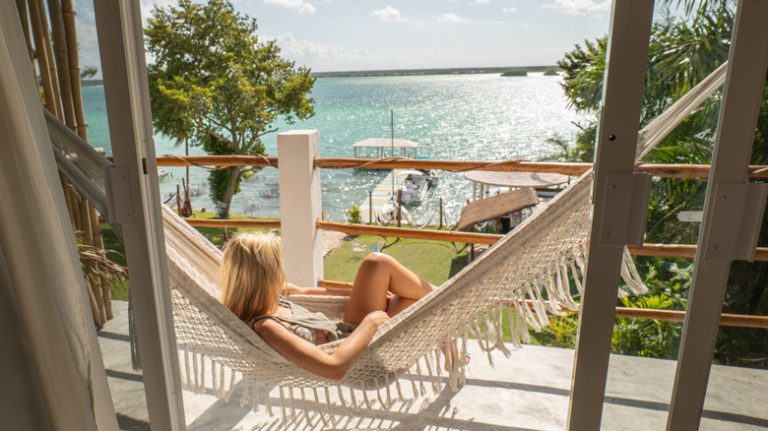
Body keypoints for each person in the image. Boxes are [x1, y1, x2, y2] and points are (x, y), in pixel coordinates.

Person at [220, 232, 434, 381]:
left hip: (347, 332)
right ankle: (451, 300)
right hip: (361, 357)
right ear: (265, 275)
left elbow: (306, 292)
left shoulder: (272, 295)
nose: (282, 268)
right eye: (278, 263)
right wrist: (371, 322)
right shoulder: (267, 327)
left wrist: (369, 291)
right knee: (417, 302)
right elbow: (333, 368)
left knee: (376, 263)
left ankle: (444, 300)